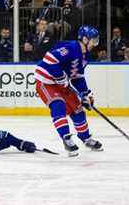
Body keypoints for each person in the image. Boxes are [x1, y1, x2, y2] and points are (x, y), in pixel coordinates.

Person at [34, 25, 103, 157]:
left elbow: (77, 76)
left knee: (77, 109)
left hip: (62, 83)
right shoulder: (70, 47)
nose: (95, 44)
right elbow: (49, 59)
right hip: (46, 81)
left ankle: (86, 138)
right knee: (58, 105)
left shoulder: (86, 55)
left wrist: (85, 93)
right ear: (84, 39)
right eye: (93, 40)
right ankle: (66, 138)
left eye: (96, 41)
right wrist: (60, 77)